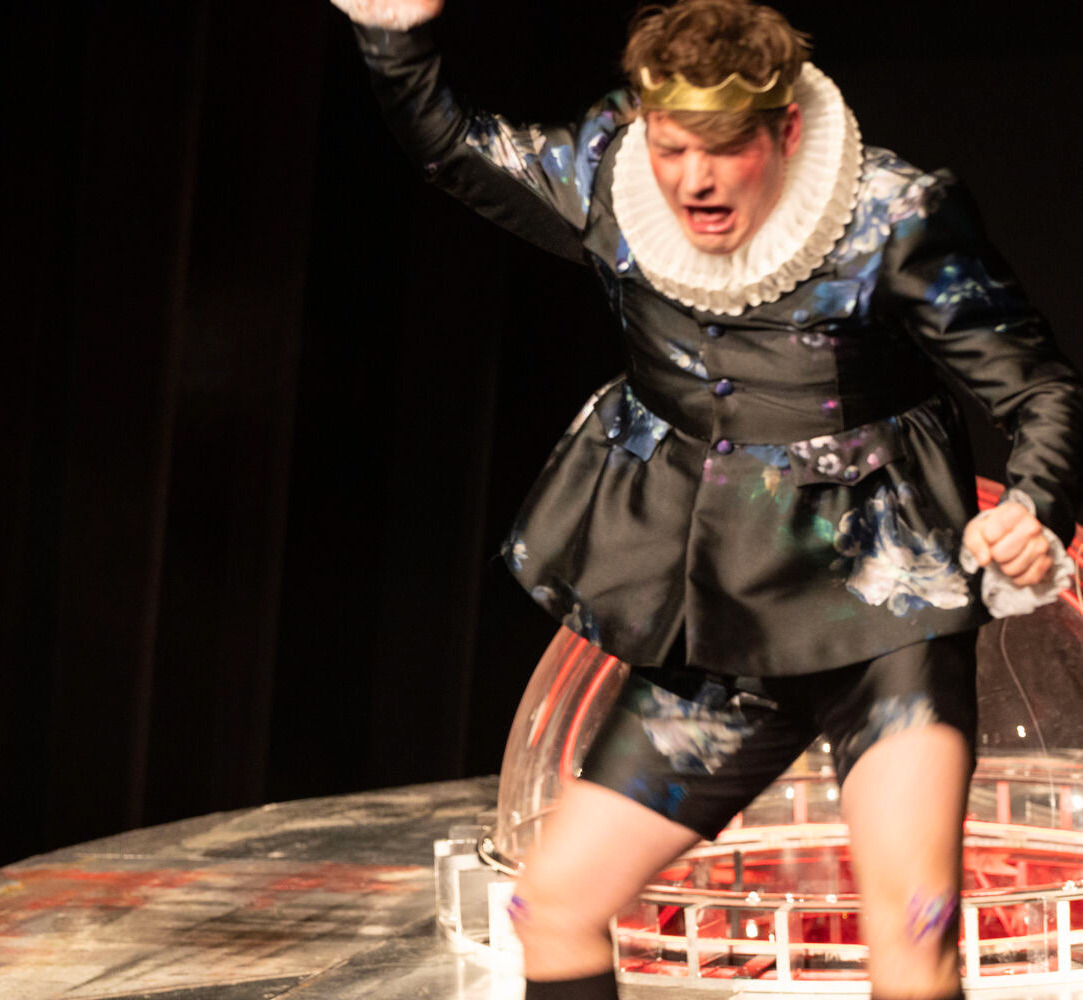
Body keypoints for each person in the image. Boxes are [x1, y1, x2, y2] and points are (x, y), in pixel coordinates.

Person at [328, 1, 1083, 998]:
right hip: (722, 630)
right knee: (551, 905)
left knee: (913, 933)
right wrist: (393, 40)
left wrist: (1033, 503)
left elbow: (1040, 390)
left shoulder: (893, 214)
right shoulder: (608, 175)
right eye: (674, 146)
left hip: (888, 623)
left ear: (787, 130)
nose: (695, 179)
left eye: (727, 148)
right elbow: (453, 143)